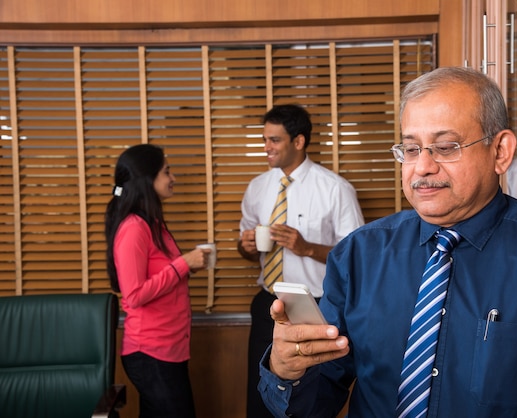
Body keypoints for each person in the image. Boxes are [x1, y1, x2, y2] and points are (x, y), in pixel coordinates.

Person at [258, 67, 517, 416]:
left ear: (500, 152)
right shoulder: (359, 254)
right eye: (411, 149)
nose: (422, 167)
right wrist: (286, 370)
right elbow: (317, 401)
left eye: (446, 147)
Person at [237, 104, 364, 418]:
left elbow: (357, 259)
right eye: (265, 139)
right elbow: (246, 251)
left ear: (298, 141)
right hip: (269, 304)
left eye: (274, 140)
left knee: (308, 400)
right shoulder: (257, 188)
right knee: (261, 395)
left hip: (317, 308)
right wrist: (247, 245)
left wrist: (307, 248)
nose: (267, 147)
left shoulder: (335, 189)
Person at [105, 144, 211, 418]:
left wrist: (187, 268)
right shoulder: (133, 229)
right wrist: (183, 264)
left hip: (169, 349)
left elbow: (161, 276)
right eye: (167, 171)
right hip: (150, 351)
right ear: (147, 180)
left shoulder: (152, 224)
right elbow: (134, 295)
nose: (173, 178)